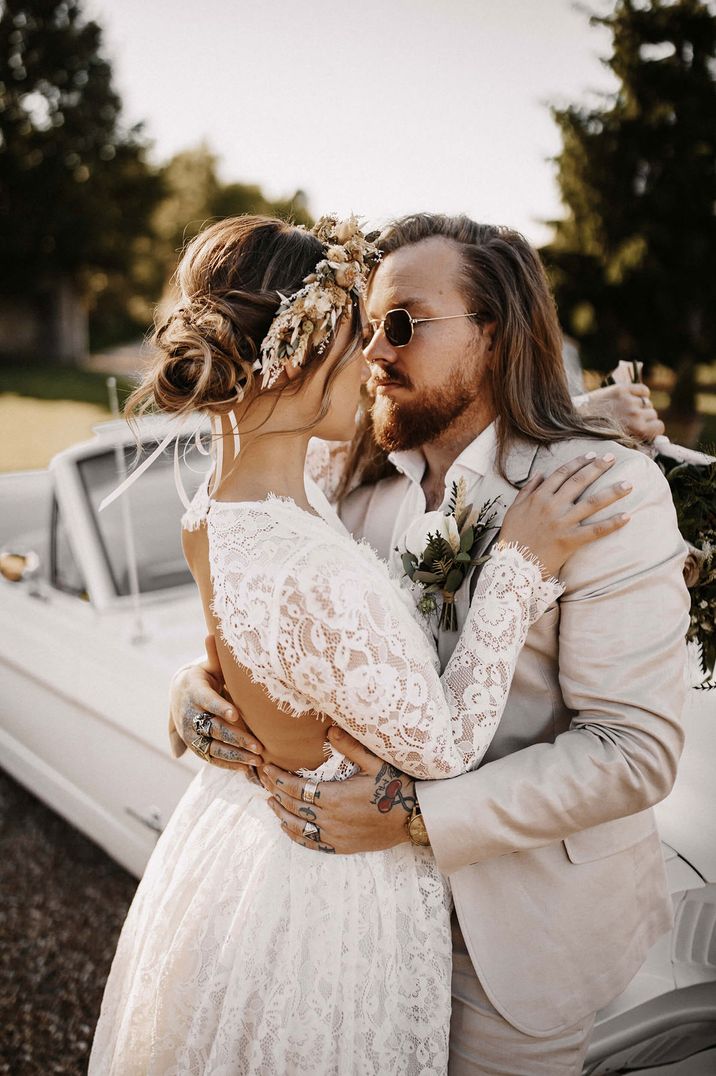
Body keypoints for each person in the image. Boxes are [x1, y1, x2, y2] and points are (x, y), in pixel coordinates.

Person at [89, 214, 637, 1076]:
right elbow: (301, 651)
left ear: (493, 340)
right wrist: (194, 691)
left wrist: (576, 416)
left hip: (510, 942)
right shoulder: (335, 494)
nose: (374, 355)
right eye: (364, 329)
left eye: (400, 326)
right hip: (330, 910)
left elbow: (635, 751)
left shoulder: (227, 503)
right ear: (300, 349)